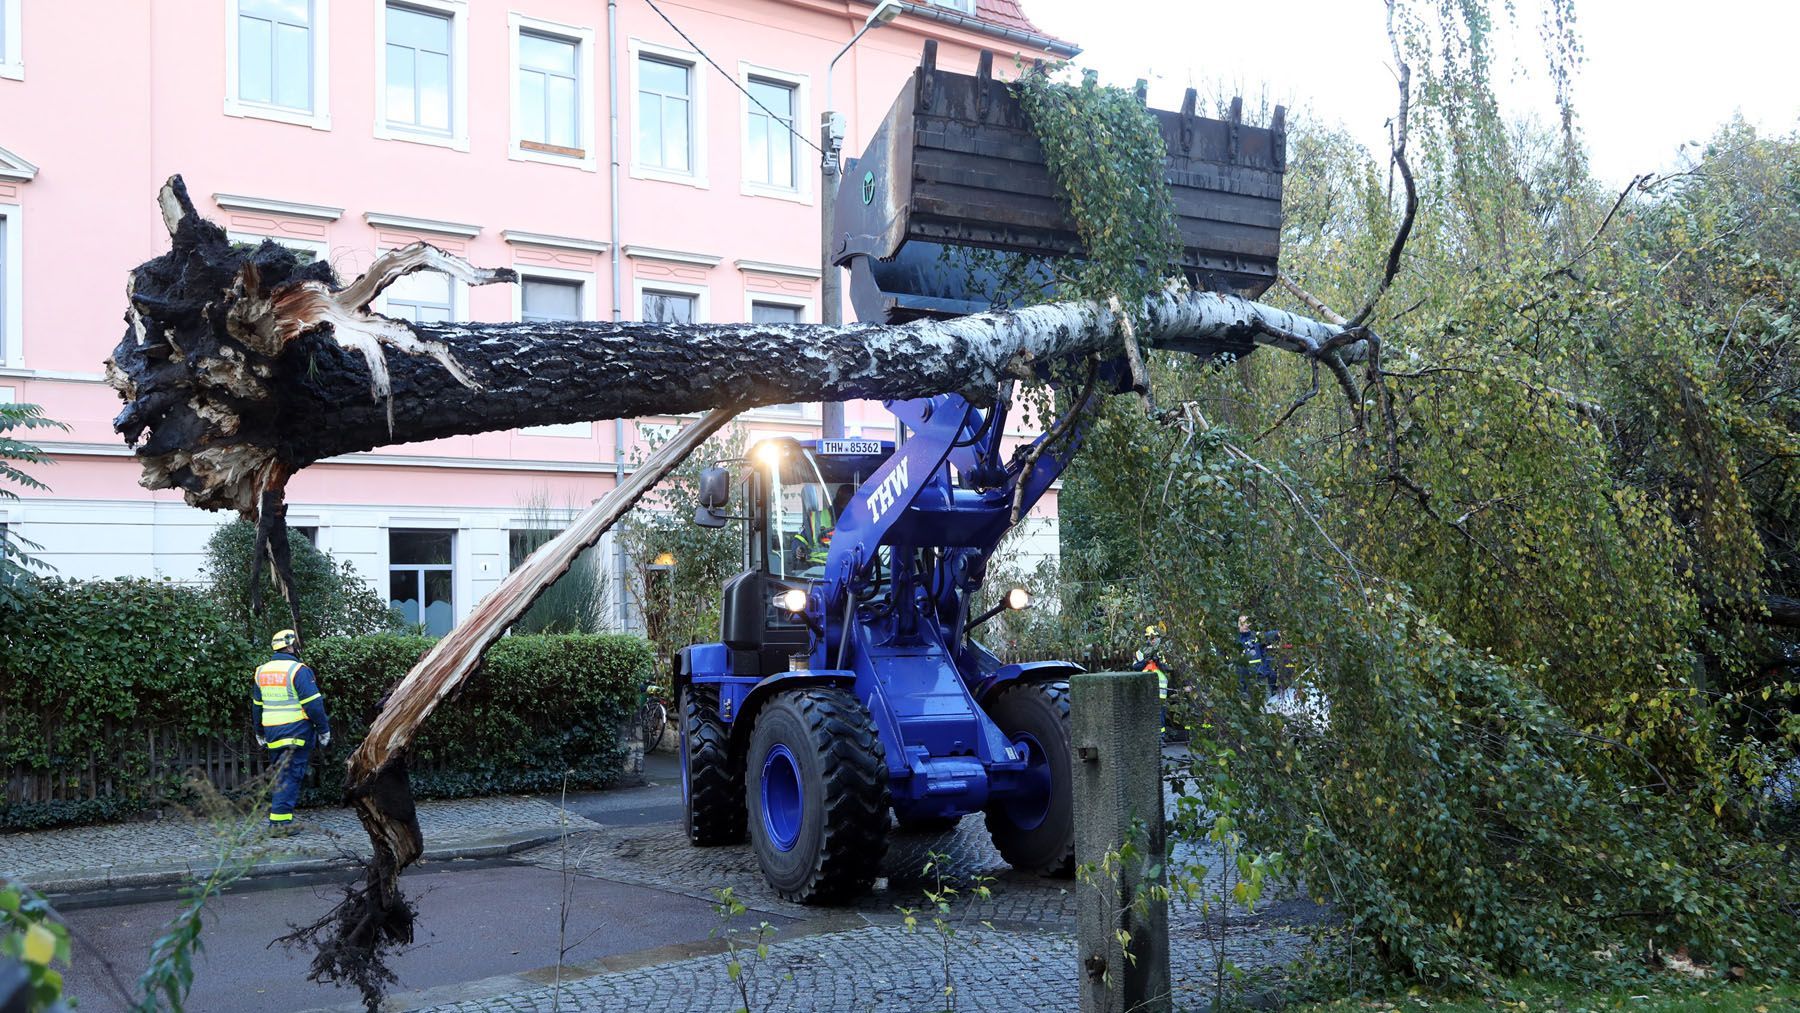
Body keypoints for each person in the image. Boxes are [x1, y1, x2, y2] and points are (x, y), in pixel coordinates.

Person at [253, 629, 331, 834]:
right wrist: (323, 730)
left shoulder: (261, 671)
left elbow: (257, 706)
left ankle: (280, 821)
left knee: (282, 775)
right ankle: (280, 825)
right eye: (295, 643)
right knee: (290, 776)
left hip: (272, 733)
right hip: (296, 732)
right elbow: (313, 704)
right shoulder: (298, 670)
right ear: (289, 646)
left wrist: (259, 732)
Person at [1134, 624, 1170, 738]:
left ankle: (1161, 738)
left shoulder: (1164, 652)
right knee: (1145, 714)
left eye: (1154, 637)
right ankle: (1146, 737)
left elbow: (1168, 669)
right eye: (1150, 638)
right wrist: (1145, 661)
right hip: (1145, 690)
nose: (1152, 640)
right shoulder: (1141, 652)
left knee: (1160, 716)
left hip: (1161, 691)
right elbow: (1135, 667)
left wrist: (1158, 661)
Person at [1237, 614, 1280, 697]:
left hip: (1259, 678)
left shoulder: (1255, 636)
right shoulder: (1235, 640)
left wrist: (1278, 634)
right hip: (1244, 681)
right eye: (1243, 622)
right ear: (1238, 624)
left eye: (1247, 622)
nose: (1246, 624)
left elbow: (1268, 636)